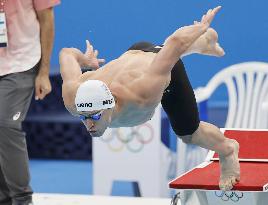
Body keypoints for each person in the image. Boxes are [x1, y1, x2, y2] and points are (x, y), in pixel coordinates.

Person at [59, 6, 240, 191]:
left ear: (110, 105)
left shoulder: (142, 93)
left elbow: (175, 43)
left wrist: (199, 27)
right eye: (84, 116)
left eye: (95, 116)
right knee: (163, 51)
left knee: (189, 133)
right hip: (134, 54)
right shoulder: (74, 99)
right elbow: (66, 53)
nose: (88, 123)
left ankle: (228, 150)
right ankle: (204, 43)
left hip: (156, 71)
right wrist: (85, 61)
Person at [0, 0, 60, 204]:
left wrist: (44, 72)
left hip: (22, 62)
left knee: (4, 124)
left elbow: (47, 18)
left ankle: (22, 199)